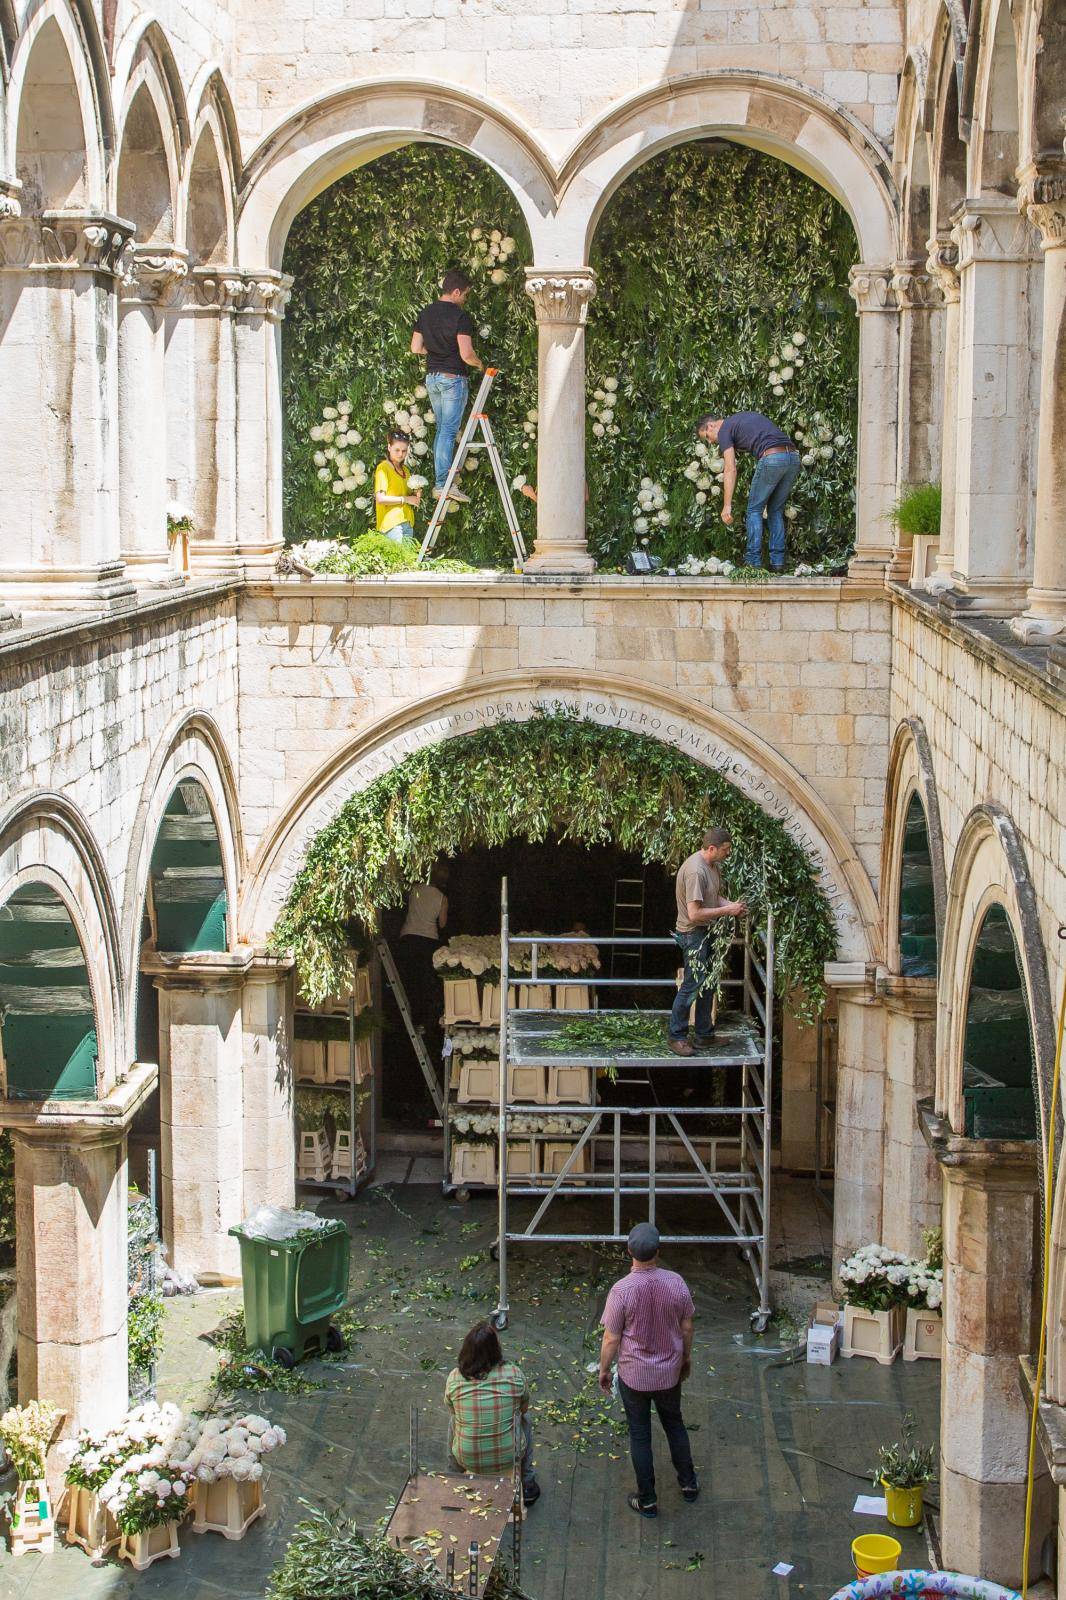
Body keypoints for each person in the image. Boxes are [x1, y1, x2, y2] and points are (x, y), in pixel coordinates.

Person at [598, 1223, 698, 1518]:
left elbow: (611, 1337)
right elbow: (687, 1326)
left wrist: (604, 1369)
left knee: (640, 1435)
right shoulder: (676, 1283)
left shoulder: (622, 1291)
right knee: (674, 1425)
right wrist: (686, 1358)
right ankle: (689, 1484)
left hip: (634, 1376)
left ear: (629, 1251)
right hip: (669, 1372)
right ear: (658, 1251)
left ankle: (648, 1499)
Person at [669, 827, 747, 1057]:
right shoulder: (696, 871)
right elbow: (694, 913)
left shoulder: (713, 867)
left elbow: (712, 898)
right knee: (692, 985)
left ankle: (704, 1035)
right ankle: (676, 1036)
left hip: (706, 931)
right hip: (693, 934)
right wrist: (727, 910)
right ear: (712, 848)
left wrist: (733, 906)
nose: (728, 853)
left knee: (709, 982)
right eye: (725, 849)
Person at [445, 1319, 540, 1506]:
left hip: (468, 1459)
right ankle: (527, 1481)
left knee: (454, 1420)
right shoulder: (514, 1373)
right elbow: (524, 1408)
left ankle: (454, 1476)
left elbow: (453, 1409)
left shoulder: (455, 1378)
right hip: (509, 1457)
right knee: (525, 1419)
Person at [411, 269, 484, 504]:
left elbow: (415, 347)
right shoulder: (460, 317)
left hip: (432, 377)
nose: (465, 299)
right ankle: (443, 483)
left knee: (442, 429)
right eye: (465, 295)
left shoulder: (425, 313)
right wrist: (480, 364)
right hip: (453, 378)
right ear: (455, 291)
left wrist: (434, 353)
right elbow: (466, 354)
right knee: (448, 431)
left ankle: (443, 481)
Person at [696, 411, 801, 571]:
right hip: (792, 458)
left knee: (754, 510)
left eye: (707, 437)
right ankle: (777, 562)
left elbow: (730, 468)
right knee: (775, 510)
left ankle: (753, 563)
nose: (711, 442)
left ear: (711, 426)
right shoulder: (739, 419)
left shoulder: (724, 429)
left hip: (772, 457)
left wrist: (727, 505)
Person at [397, 862, 449, 1060]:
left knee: (409, 979)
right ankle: (421, 1022)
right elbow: (442, 924)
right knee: (424, 982)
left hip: (408, 937)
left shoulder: (415, 890)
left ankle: (406, 1018)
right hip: (428, 941)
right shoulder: (442, 898)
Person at [374, 429, 421, 541]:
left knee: (408, 558)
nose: (401, 454)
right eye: (397, 450)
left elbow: (409, 497)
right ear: (389, 447)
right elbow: (380, 499)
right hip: (391, 524)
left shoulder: (406, 470)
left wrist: (416, 493)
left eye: (404, 451)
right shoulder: (383, 468)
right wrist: (405, 499)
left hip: (408, 521)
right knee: (398, 558)